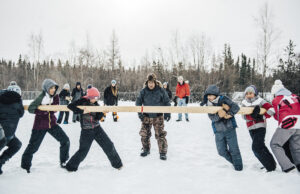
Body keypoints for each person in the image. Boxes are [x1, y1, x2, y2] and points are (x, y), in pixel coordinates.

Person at [65, 87, 123, 171]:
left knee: (109, 145)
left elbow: (97, 117)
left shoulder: (96, 104)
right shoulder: (82, 101)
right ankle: (70, 167)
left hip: (97, 129)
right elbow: (70, 106)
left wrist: (103, 112)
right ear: (90, 97)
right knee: (83, 151)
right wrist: (82, 111)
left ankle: (118, 165)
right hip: (86, 130)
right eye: (94, 98)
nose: (96, 99)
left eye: (97, 98)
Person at [21, 79, 70, 173]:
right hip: (39, 125)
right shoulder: (41, 97)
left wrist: (50, 107)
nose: (53, 90)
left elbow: (55, 110)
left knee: (65, 140)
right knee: (33, 147)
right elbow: (31, 109)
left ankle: (63, 161)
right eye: (51, 88)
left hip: (52, 124)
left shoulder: (55, 97)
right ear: (46, 88)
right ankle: (25, 166)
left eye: (54, 88)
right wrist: (44, 111)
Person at [203, 85, 243, 171]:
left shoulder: (224, 99)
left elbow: (236, 107)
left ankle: (239, 169)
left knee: (234, 150)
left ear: (216, 94)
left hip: (230, 128)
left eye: (210, 95)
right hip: (218, 131)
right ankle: (235, 163)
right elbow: (212, 118)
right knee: (221, 151)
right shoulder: (208, 105)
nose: (209, 97)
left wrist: (229, 114)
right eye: (208, 95)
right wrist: (222, 113)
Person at [241, 85, 276, 172]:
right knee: (261, 146)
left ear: (255, 93)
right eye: (247, 93)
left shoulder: (261, 101)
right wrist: (252, 116)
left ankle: (270, 167)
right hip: (251, 128)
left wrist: (262, 116)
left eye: (251, 93)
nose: (249, 95)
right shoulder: (244, 103)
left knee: (256, 147)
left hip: (260, 126)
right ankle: (271, 164)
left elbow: (272, 110)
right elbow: (243, 116)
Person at [136, 73, 171, 160]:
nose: (150, 84)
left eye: (152, 82)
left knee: (160, 135)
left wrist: (167, 113)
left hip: (158, 116)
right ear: (147, 82)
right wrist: (140, 114)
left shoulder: (161, 90)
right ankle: (146, 149)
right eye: (149, 82)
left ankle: (162, 152)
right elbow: (138, 102)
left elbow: (167, 101)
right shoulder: (143, 91)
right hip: (146, 116)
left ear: (155, 82)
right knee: (144, 134)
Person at [269, 80, 300, 173]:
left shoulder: (276, 99)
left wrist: (270, 113)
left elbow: (278, 116)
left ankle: (288, 167)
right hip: (299, 123)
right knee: (296, 147)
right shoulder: (295, 96)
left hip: (288, 123)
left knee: (275, 144)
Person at [0, 84, 24, 174]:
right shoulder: (18, 103)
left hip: (4, 134)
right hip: (7, 135)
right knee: (16, 145)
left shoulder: (1, 98)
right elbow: (21, 114)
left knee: (16, 144)